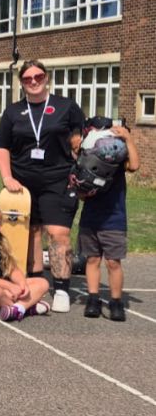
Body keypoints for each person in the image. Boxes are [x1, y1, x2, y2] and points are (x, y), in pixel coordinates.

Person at [0, 60, 85, 312]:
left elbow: (81, 139)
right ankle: (36, 283)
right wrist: (6, 177)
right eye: (27, 78)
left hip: (58, 179)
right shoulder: (13, 111)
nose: (33, 81)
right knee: (30, 233)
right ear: (21, 82)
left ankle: (62, 288)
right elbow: (1, 146)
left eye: (38, 76)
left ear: (47, 78)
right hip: (22, 182)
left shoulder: (66, 106)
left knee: (58, 233)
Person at [79, 123, 140, 321]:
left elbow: (135, 165)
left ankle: (115, 301)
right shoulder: (87, 158)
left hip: (114, 217)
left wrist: (128, 139)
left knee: (113, 262)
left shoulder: (118, 162)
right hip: (91, 216)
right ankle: (93, 299)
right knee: (92, 259)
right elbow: (80, 192)